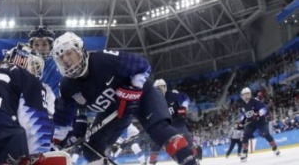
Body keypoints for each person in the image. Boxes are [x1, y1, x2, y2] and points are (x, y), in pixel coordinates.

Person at [51, 32, 198, 165]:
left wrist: (132, 90)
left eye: (69, 53)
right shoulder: (67, 87)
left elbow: (142, 65)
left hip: (142, 95)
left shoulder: (104, 60)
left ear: (80, 50)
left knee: (160, 131)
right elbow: (66, 118)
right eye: (60, 57)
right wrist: (63, 139)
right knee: (91, 150)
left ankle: (189, 162)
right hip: (116, 110)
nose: (65, 60)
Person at [148, 79, 196, 164]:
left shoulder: (172, 95)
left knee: (186, 136)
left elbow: (186, 98)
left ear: (165, 87)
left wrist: (184, 107)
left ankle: (194, 154)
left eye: (161, 87)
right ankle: (152, 160)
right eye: (157, 88)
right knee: (158, 139)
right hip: (165, 124)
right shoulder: (153, 101)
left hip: (177, 121)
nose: (159, 89)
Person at [238, 87, 280, 162]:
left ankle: (275, 148)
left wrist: (258, 114)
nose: (246, 96)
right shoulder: (243, 104)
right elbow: (245, 115)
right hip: (250, 122)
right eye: (244, 95)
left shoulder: (255, 101)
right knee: (245, 135)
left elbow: (265, 110)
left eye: (247, 94)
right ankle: (244, 153)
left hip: (260, 121)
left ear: (250, 94)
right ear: (242, 96)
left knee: (265, 134)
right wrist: (242, 122)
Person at [27, 26, 61, 96]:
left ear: (50, 46)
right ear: (31, 47)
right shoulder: (24, 65)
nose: (40, 48)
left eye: (44, 44)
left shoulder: (59, 64)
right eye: (36, 44)